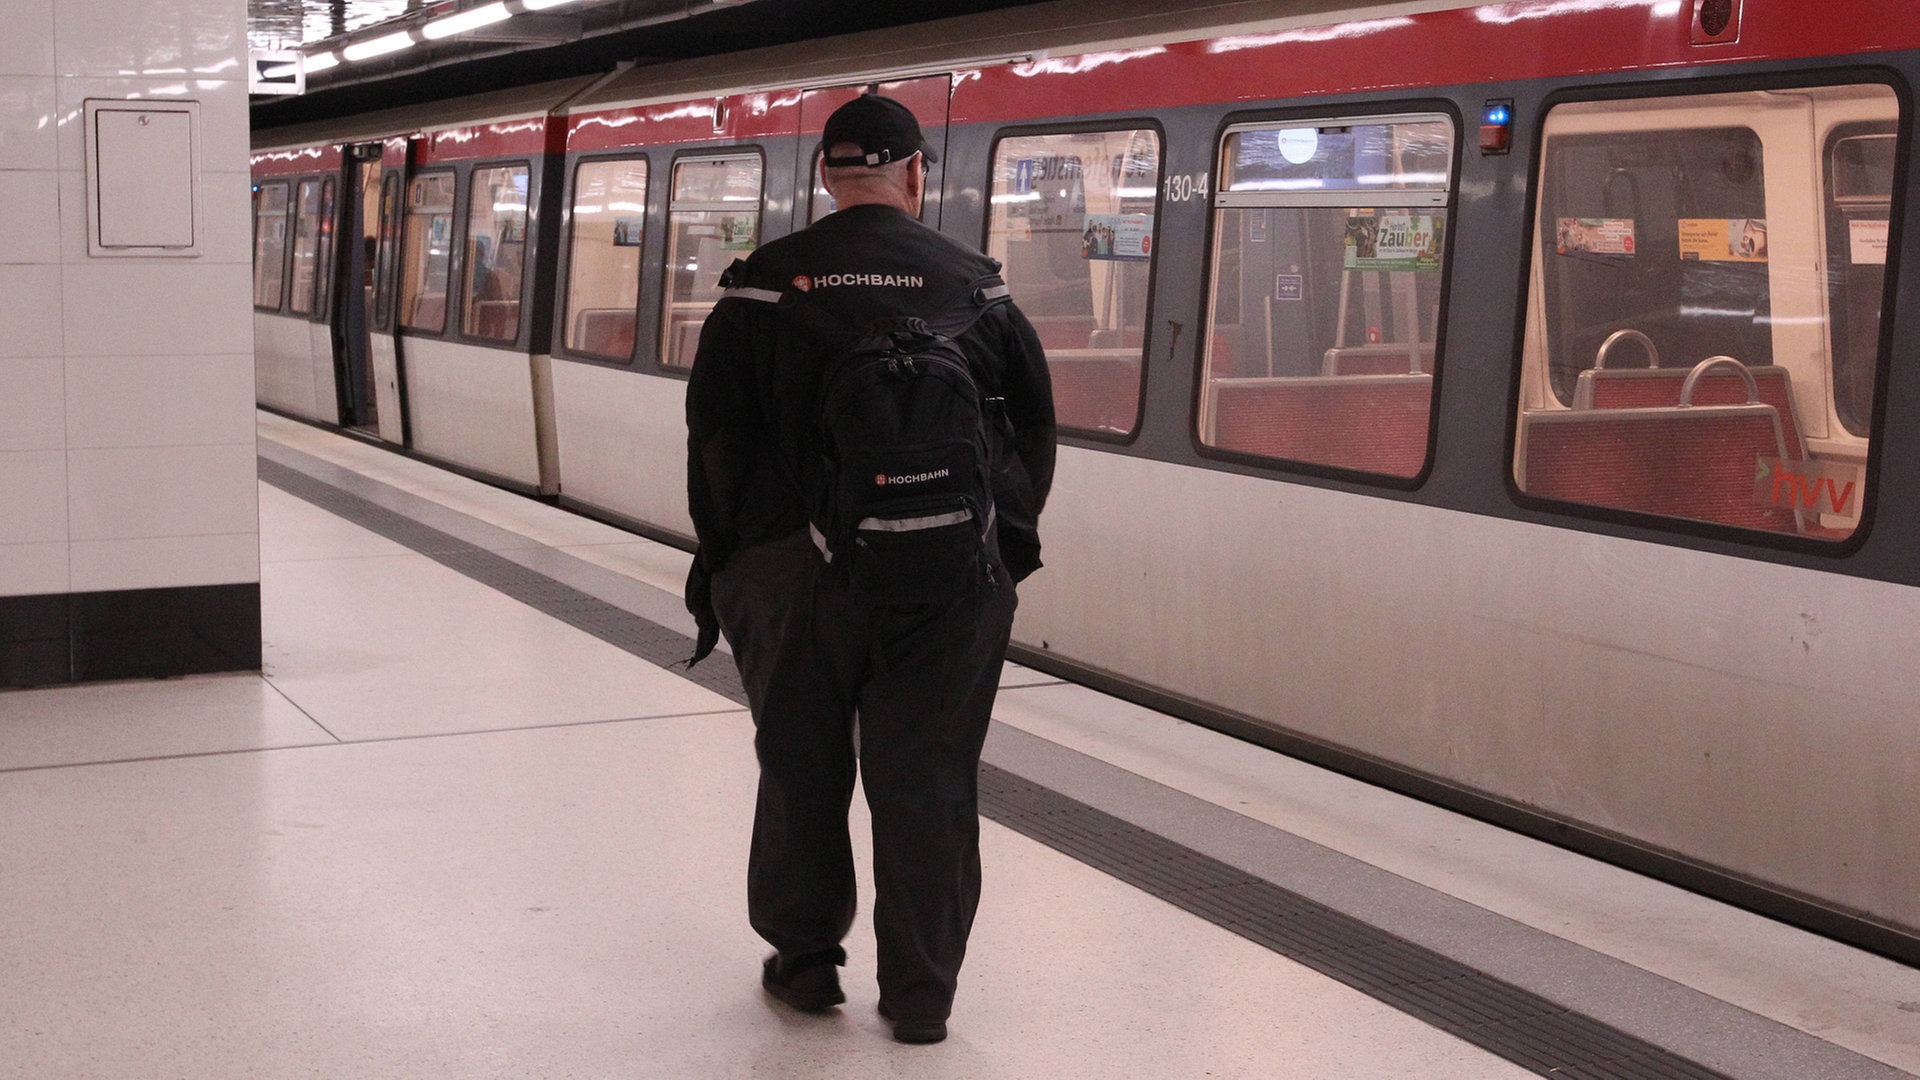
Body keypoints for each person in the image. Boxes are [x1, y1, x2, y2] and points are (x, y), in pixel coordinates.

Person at [683, 94, 1055, 1045]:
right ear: (918, 174)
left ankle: (806, 964)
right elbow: (1032, 444)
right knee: (929, 776)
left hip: (794, 580)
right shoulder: (979, 288)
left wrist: (734, 573)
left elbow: (716, 444)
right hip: (949, 580)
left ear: (824, 177)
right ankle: (922, 997)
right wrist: (992, 555)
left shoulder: (762, 286)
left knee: (801, 764)